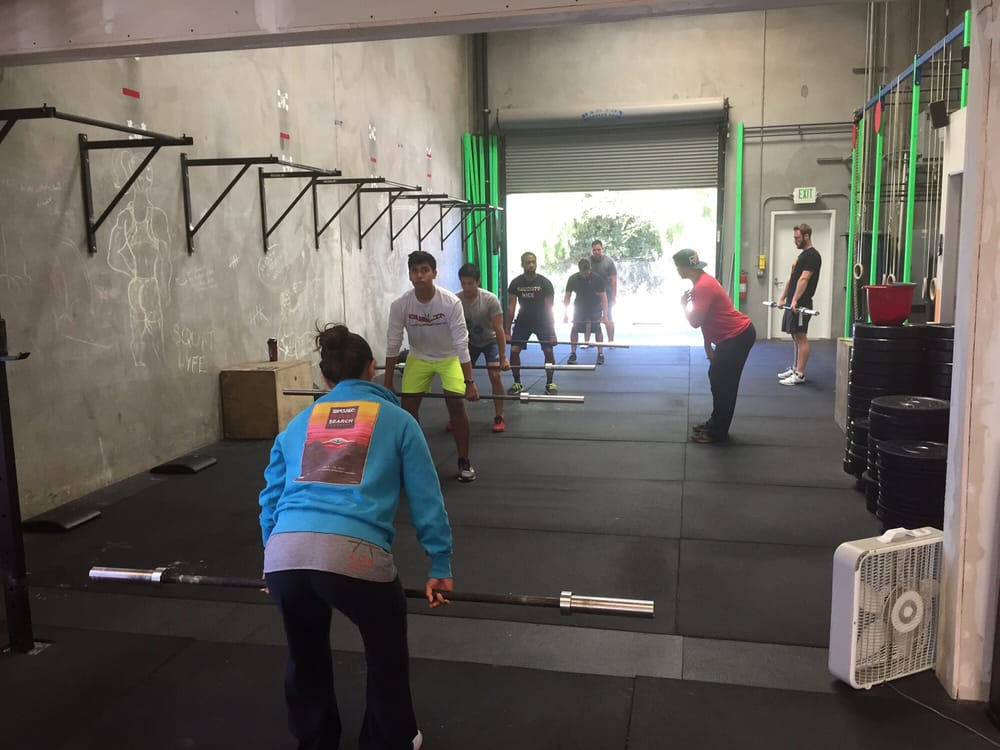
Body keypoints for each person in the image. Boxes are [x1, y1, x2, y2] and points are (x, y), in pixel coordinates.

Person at [259, 323, 453, 750]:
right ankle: (391, 739)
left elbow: (271, 497)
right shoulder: (399, 421)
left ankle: (315, 740)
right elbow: (426, 499)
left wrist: (271, 559)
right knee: (385, 652)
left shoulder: (297, 424)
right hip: (353, 557)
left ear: (324, 377)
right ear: (372, 368)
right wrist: (439, 563)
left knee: (304, 653)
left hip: (285, 554)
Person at [385, 250, 480, 482]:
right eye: (415, 271)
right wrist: (387, 381)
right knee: (408, 409)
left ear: (434, 273)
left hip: (449, 357)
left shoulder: (450, 302)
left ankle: (464, 459)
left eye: (425, 270)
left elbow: (461, 342)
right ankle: (414, 460)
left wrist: (470, 382)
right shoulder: (400, 305)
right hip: (418, 356)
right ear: (410, 275)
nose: (420, 275)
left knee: (456, 404)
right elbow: (393, 342)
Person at [674, 249, 756, 444]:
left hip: (737, 336)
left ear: (684, 267)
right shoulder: (703, 281)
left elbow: (695, 321)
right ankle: (715, 423)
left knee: (724, 383)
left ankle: (718, 432)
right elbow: (706, 320)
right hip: (731, 337)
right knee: (717, 377)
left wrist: (683, 306)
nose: (677, 270)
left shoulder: (702, 287)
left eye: (677, 266)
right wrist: (708, 346)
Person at [457, 263, 510, 433]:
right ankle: (456, 416)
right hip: (469, 342)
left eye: (470, 283)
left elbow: (499, 330)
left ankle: (499, 416)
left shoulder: (489, 300)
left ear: (478, 281)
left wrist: (503, 357)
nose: (466, 287)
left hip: (490, 341)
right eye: (463, 283)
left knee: (495, 375)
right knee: (457, 378)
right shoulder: (456, 300)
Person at [506, 251, 558, 395]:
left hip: (542, 321)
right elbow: (511, 307)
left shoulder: (545, 283)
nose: (531, 265)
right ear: (522, 264)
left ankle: (550, 383)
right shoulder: (516, 283)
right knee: (514, 351)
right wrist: (507, 331)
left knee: (548, 351)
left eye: (533, 262)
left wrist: (552, 333)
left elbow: (549, 309)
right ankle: (517, 383)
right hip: (523, 321)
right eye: (528, 262)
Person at [776, 224, 822, 385]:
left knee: (801, 337)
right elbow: (792, 278)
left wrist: (795, 300)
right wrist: (783, 298)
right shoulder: (801, 256)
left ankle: (800, 374)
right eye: (794, 238)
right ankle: (795, 368)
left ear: (807, 236)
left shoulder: (813, 256)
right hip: (793, 301)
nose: (795, 241)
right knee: (795, 336)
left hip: (801, 302)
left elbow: (804, 279)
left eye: (797, 238)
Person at [562, 257, 609, 364]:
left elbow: (604, 298)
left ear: (590, 269)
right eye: (583, 273)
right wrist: (565, 314)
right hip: (579, 307)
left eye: (587, 272)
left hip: (594, 306)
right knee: (575, 329)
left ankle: (600, 353)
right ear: (579, 270)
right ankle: (573, 353)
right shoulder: (573, 279)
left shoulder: (597, 279)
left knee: (597, 329)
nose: (585, 275)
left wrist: (605, 316)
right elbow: (567, 297)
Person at [590, 239, 618, 344]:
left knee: (609, 317)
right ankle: (590, 341)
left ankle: (611, 341)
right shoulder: (588, 261)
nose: (596, 252)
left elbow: (614, 281)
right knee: (591, 319)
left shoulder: (609, 262)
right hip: (593, 296)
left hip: (607, 295)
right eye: (594, 250)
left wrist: (614, 298)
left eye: (598, 249)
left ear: (602, 249)